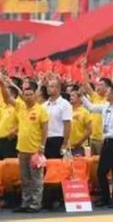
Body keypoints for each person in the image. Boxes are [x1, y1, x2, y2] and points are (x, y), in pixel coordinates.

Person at [1, 76, 48, 214]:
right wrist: (2, 84)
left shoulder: (41, 110)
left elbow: (45, 129)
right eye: (25, 94)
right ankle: (25, 202)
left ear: (35, 95)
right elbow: (7, 99)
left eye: (30, 94)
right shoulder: (20, 107)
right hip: (22, 150)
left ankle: (36, 204)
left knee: (36, 179)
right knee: (25, 179)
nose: (27, 97)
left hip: (35, 151)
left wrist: (42, 147)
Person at [82, 83, 113, 208]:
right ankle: (106, 198)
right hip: (107, 141)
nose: (106, 94)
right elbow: (92, 108)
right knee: (101, 171)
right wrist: (81, 96)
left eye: (109, 92)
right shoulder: (106, 106)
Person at [81, 60, 112, 156]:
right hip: (92, 138)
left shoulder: (110, 99)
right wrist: (84, 68)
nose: (98, 87)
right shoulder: (95, 96)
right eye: (98, 85)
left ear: (108, 87)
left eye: (101, 85)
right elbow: (86, 84)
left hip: (103, 138)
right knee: (92, 163)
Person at [42, 77, 72, 159]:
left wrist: (65, 143)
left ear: (58, 88)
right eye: (48, 86)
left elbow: (67, 125)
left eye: (51, 86)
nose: (48, 88)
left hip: (58, 139)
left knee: (57, 166)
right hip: (45, 139)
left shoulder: (64, 104)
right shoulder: (44, 105)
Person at [69, 87, 92, 157]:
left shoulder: (85, 112)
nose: (71, 97)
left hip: (79, 147)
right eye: (70, 96)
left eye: (73, 96)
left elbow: (89, 130)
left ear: (79, 98)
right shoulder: (67, 110)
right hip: (68, 147)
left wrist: (79, 142)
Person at [0, 82, 20, 159]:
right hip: (1, 139)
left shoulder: (17, 107)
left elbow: (23, 121)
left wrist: (15, 131)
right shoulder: (3, 107)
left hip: (10, 140)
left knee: (10, 164)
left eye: (6, 93)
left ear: (13, 95)